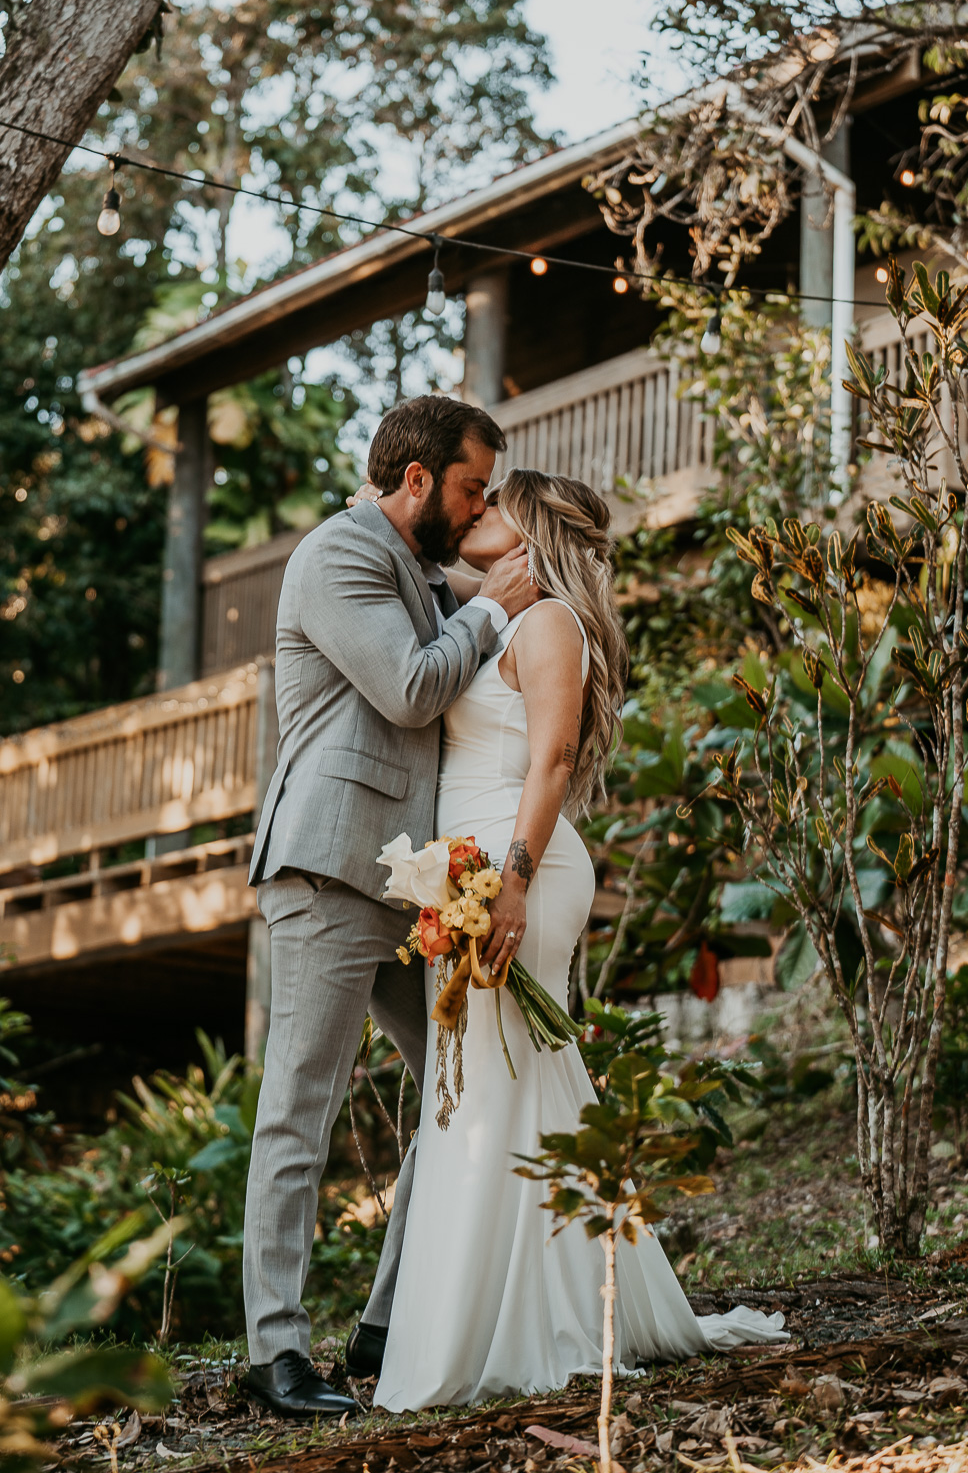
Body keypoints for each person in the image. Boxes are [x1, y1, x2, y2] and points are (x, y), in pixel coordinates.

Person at [373, 469, 787, 1412]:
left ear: (530, 529)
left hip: (521, 874)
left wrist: (509, 882)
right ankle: (528, 1308)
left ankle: (520, 1325)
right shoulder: (495, 616)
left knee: (489, 1082)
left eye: (495, 504)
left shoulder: (551, 621)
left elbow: (552, 758)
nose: (476, 513)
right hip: (471, 868)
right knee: (490, 1083)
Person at [242, 395, 539, 1419]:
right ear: (417, 481)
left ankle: (385, 1319)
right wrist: (495, 607)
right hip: (330, 870)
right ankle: (275, 1351)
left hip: (409, 886)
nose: (478, 506)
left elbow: (504, 596)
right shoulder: (339, 558)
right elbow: (414, 689)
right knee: (299, 1111)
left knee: (452, 1092)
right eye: (470, 488)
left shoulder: (419, 568)